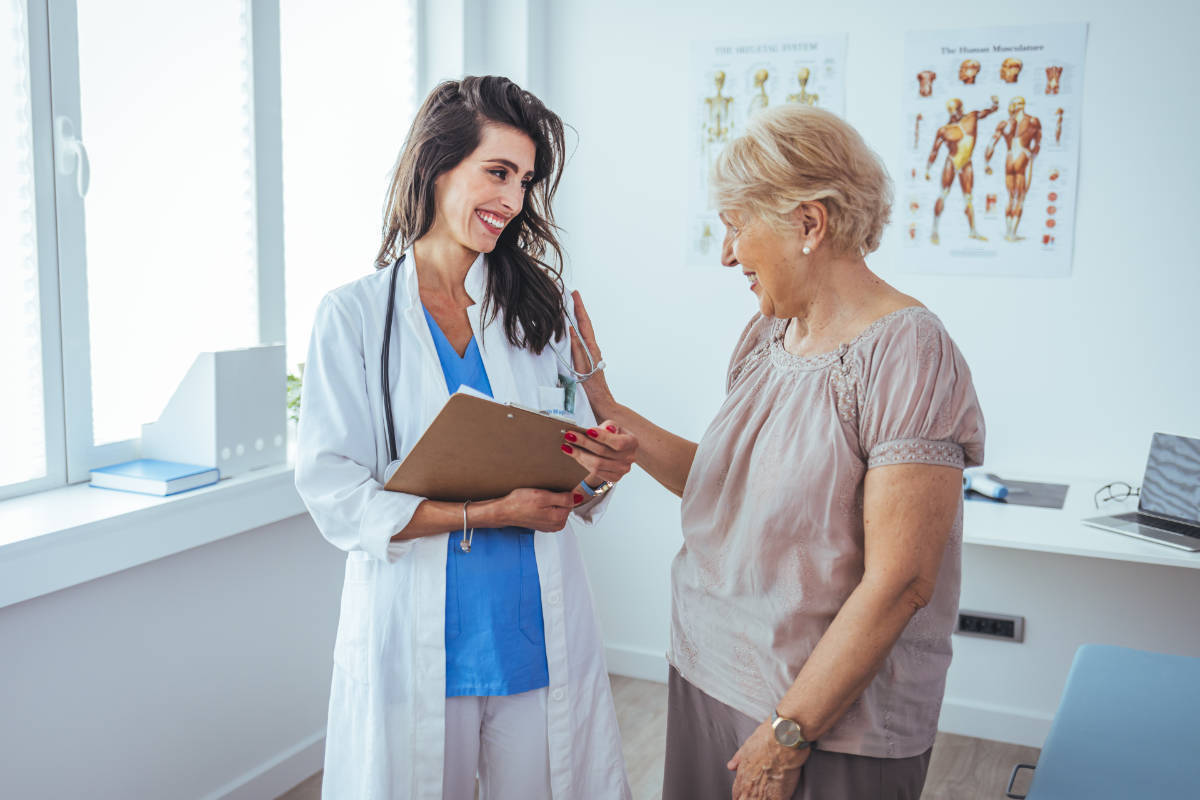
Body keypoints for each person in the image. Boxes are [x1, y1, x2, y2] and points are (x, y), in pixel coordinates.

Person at [566, 104, 985, 800]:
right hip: (710, 671)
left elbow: (902, 581)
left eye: (736, 227)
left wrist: (789, 732)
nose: (727, 253)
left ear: (809, 224)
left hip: (821, 716)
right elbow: (735, 482)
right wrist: (613, 414)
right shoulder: (767, 335)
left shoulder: (909, 351)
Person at [295, 76, 636, 800]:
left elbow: (570, 467)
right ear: (437, 165)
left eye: (525, 181)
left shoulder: (532, 310)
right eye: (498, 172)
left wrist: (602, 470)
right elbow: (335, 494)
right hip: (416, 637)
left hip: (531, 632)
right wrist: (487, 514)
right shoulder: (354, 317)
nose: (513, 201)